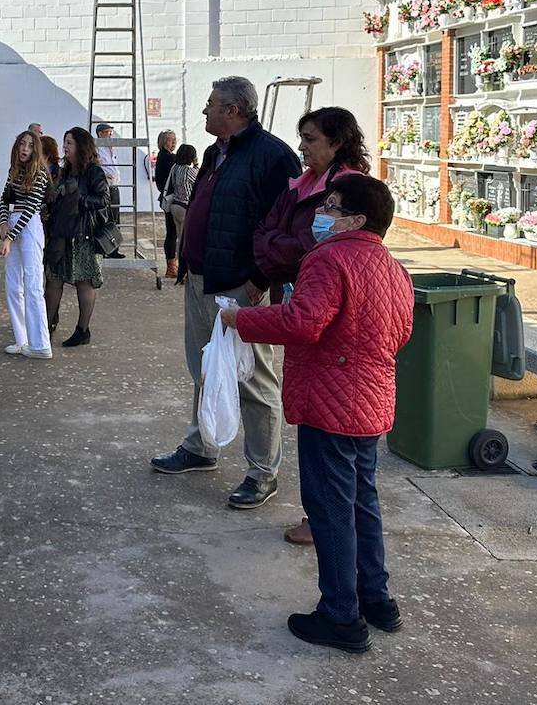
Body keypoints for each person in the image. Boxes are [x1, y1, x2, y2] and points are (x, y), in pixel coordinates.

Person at [220, 174, 413, 654]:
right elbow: (402, 330)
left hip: (332, 403)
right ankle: (376, 599)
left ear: (355, 219)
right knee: (362, 503)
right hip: (371, 400)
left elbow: (303, 322)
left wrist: (239, 320)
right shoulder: (391, 266)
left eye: (331, 205)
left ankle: (340, 615)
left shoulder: (330, 258)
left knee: (330, 509)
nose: (321, 212)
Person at [149, 76, 300, 510]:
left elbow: (288, 228)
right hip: (201, 279)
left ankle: (262, 471)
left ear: (233, 111)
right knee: (203, 366)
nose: (205, 111)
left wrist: (258, 278)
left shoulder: (271, 157)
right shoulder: (217, 152)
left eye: (211, 104)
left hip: (239, 285)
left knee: (252, 377)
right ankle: (202, 447)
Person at [252, 106, 371, 547]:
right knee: (315, 416)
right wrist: (279, 249)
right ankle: (325, 515)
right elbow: (268, 233)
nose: (301, 147)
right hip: (303, 300)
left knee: (329, 427)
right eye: (301, 137)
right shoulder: (302, 185)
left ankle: (326, 521)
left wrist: (281, 248)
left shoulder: (349, 191)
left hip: (331, 316)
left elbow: (306, 245)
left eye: (311, 139)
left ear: (337, 142)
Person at [43, 126, 109, 348]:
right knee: (53, 279)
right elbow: (56, 197)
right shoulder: (64, 170)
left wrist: (78, 198)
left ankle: (82, 330)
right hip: (61, 235)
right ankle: (46, 325)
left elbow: (103, 200)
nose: (65, 147)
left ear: (81, 146)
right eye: (64, 143)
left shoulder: (93, 172)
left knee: (84, 283)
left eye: (69, 143)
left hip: (84, 237)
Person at [0, 130, 52, 359]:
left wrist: (10, 237)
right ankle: (22, 339)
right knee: (13, 286)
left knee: (32, 285)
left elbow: (31, 208)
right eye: (22, 144)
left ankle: (41, 344)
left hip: (29, 227)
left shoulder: (40, 173)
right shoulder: (14, 170)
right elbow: (4, 198)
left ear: (36, 149)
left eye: (30, 146)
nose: (25, 149)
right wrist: (3, 224)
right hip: (13, 223)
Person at [161, 143, 199, 277]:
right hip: (185, 207)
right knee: (186, 242)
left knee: (179, 240)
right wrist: (196, 165)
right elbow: (200, 182)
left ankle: (178, 268)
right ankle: (184, 270)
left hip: (175, 206)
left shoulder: (175, 168)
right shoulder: (190, 171)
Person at [95, 122, 125, 258]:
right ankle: (104, 248)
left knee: (115, 217)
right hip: (105, 187)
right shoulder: (97, 149)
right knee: (106, 217)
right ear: (100, 134)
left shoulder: (111, 148)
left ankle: (114, 248)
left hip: (114, 186)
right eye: (108, 133)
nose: (111, 135)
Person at [154, 130, 178, 279]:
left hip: (167, 198)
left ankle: (172, 265)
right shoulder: (169, 158)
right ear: (163, 142)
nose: (173, 142)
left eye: (175, 139)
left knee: (172, 232)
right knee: (173, 233)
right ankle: (171, 267)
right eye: (170, 140)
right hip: (172, 198)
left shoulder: (164, 156)